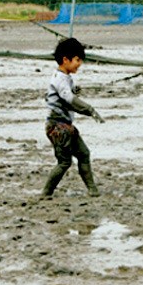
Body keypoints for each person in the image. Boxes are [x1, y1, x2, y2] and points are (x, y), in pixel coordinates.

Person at [41, 37, 105, 198]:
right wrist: (89, 109)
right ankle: (46, 193)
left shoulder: (65, 78)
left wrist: (75, 92)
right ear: (65, 59)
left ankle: (93, 190)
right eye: (77, 60)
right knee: (64, 162)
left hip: (66, 125)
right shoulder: (59, 79)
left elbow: (68, 97)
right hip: (57, 127)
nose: (79, 64)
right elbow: (69, 100)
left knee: (84, 154)